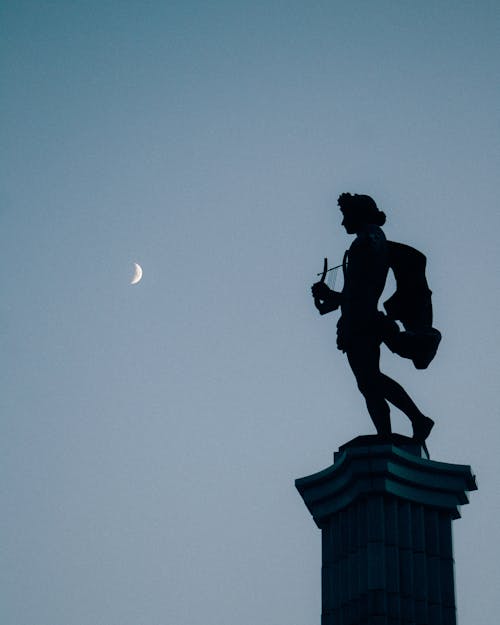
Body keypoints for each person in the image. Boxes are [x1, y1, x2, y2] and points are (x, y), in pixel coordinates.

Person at [311, 193, 434, 447]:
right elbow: (353, 293)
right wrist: (330, 296)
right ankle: (390, 432)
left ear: (359, 214)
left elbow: (361, 290)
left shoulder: (371, 238)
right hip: (358, 318)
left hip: (363, 320)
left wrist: (332, 296)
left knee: (369, 379)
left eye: (346, 215)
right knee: (367, 382)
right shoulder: (367, 241)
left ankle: (415, 421)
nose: (342, 223)